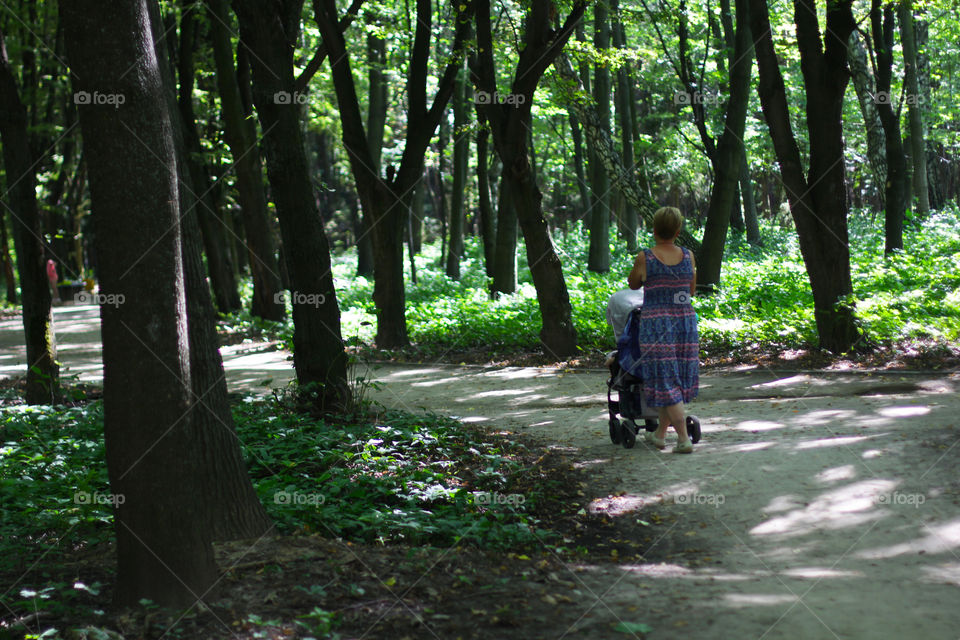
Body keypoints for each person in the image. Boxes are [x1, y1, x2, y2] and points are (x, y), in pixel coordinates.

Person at [627, 206, 699, 453]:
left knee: (665, 381)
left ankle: (683, 438)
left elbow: (634, 284)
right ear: (678, 231)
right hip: (686, 323)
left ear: (654, 229)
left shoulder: (645, 257)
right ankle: (659, 434)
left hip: (656, 325)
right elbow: (690, 291)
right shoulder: (689, 256)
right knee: (671, 380)